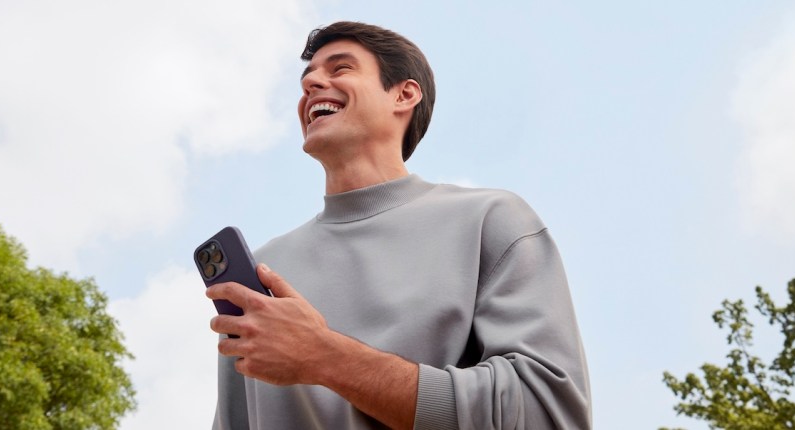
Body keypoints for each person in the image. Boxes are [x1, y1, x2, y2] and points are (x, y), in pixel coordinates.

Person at [206, 21, 591, 429]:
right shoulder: (265, 271)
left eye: (340, 69)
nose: (312, 84)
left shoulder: (489, 221)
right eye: (308, 78)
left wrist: (325, 357)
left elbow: (544, 414)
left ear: (404, 94)